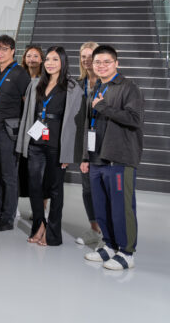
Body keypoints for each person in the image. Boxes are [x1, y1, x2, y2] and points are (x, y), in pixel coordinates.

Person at [82, 45, 144, 270]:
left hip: (119, 158)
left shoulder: (129, 87)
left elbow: (134, 119)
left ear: (116, 63)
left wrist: (104, 107)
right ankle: (109, 246)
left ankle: (126, 253)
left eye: (106, 62)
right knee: (101, 207)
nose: (101, 66)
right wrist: (85, 156)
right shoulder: (97, 86)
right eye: (97, 62)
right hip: (96, 157)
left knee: (121, 208)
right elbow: (89, 125)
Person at [16, 46, 84, 246]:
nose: (50, 63)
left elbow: (77, 123)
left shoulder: (72, 87)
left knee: (55, 190)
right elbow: (28, 115)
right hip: (36, 142)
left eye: (55, 59)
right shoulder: (36, 84)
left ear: (63, 62)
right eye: (48, 59)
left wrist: (69, 153)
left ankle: (53, 233)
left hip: (57, 145)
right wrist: (25, 143)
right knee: (34, 186)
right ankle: (39, 225)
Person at [0, 35, 31, 232]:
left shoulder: (20, 74)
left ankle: (8, 218)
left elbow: (28, 105)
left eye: (3, 49)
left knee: (9, 177)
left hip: (9, 133)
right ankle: (0, 215)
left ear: (12, 51)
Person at [76, 41, 103, 245]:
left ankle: (108, 231)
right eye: (83, 56)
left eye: (90, 56)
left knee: (103, 187)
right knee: (87, 188)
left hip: (104, 141)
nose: (86, 60)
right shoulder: (77, 84)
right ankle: (94, 229)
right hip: (83, 143)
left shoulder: (107, 84)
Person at [19, 44, 45, 201]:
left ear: (41, 59)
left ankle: (42, 206)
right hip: (20, 128)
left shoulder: (46, 80)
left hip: (38, 128)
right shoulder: (21, 77)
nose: (32, 59)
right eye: (28, 56)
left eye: (35, 56)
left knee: (39, 172)